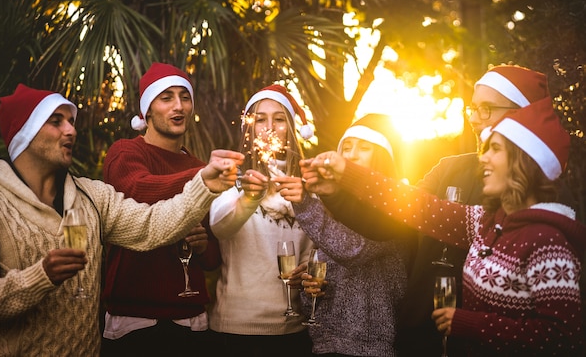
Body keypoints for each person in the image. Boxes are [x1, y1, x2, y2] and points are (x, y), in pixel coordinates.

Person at [0, 83, 243, 356]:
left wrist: (203, 184)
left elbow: (151, 226)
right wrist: (39, 277)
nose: (71, 130)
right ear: (25, 134)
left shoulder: (92, 197)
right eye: (56, 121)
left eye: (71, 121)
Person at [311, 65, 566, 356]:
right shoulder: (478, 213)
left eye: (486, 109)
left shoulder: (548, 231)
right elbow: (414, 208)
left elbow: (560, 333)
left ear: (523, 119)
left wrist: (469, 323)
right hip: (423, 334)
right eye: (472, 108)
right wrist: (341, 183)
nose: (473, 119)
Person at [100, 63, 221, 356]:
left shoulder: (198, 167)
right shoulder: (126, 152)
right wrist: (200, 178)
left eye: (184, 96)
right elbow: (138, 189)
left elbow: (213, 260)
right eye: (166, 97)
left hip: (190, 319)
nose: (178, 105)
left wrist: (204, 246)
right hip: (134, 320)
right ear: (147, 111)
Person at [276, 113, 416, 356]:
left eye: (364, 148)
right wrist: (311, 285)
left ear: (382, 157)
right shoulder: (334, 205)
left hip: (370, 348)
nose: (351, 154)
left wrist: (305, 203)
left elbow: (351, 250)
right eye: (347, 147)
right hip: (326, 343)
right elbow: (334, 265)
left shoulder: (395, 206)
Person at [207, 84, 315, 356]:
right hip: (236, 328)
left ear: (291, 128)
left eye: (279, 119)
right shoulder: (232, 177)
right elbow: (219, 227)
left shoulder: (308, 189)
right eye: (260, 119)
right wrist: (248, 199)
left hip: (294, 330)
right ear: (249, 129)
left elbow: (318, 253)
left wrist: (309, 270)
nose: (269, 127)